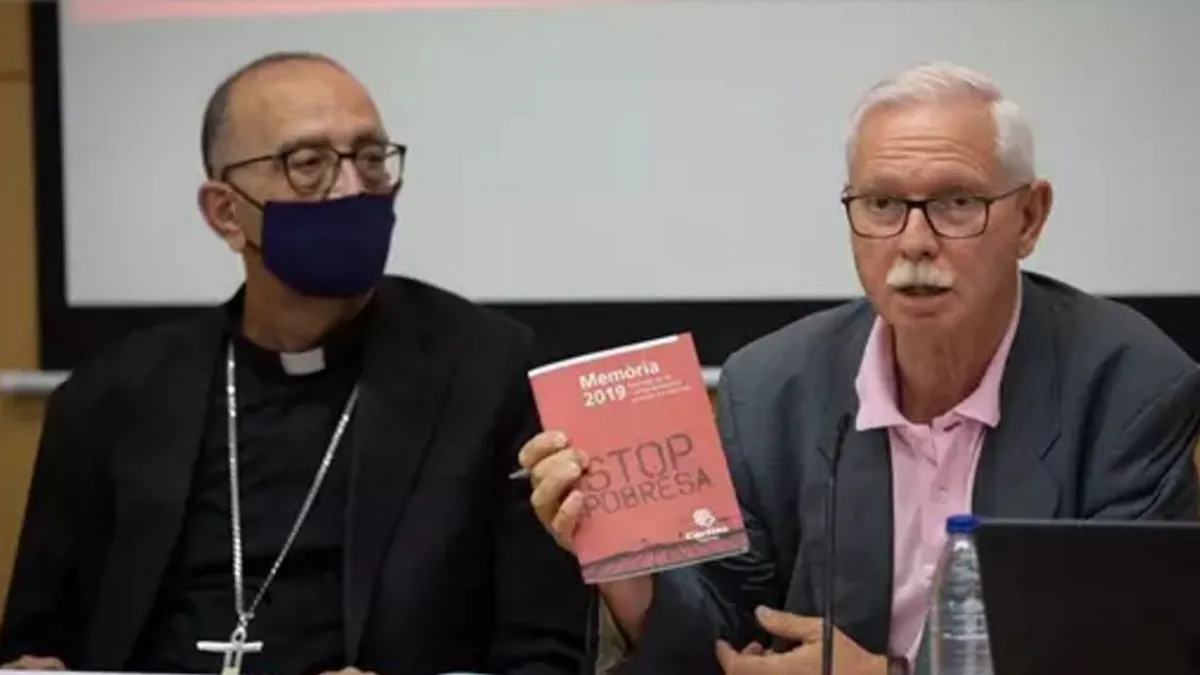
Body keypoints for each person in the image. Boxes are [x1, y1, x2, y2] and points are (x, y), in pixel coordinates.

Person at [519, 62, 1200, 675]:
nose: (914, 242)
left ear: (1029, 217)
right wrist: (629, 573)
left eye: (957, 203)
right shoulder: (770, 387)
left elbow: (1126, 652)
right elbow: (726, 622)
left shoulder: (1133, 388)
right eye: (881, 205)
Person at [0, 51, 589, 675]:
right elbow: (34, 644)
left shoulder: (489, 373)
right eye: (309, 164)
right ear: (225, 212)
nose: (354, 188)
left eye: (371, 158)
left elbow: (548, 656)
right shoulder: (109, 398)